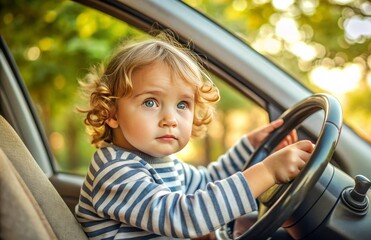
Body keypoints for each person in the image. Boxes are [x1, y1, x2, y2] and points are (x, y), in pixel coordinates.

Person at [75, 34, 314, 239]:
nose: (170, 118)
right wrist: (267, 172)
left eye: (182, 104)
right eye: (150, 102)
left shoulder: (163, 164)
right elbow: (184, 216)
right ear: (112, 112)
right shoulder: (114, 170)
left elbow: (208, 181)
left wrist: (250, 147)